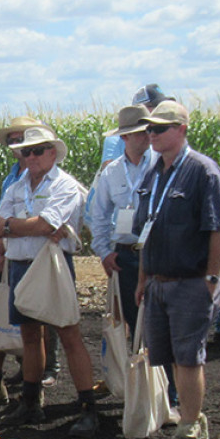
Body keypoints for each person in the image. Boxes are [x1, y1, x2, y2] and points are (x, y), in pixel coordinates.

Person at [131, 101, 220, 439]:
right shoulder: (153, 173)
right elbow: (145, 231)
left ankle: (187, 437)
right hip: (157, 281)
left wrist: (211, 279)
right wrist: (143, 278)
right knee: (169, 357)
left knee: (188, 358)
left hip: (189, 282)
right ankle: (192, 423)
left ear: (182, 129)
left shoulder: (202, 172)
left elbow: (217, 231)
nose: (153, 134)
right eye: (150, 129)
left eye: (161, 128)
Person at [0, 125, 100, 438]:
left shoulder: (65, 185)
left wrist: (12, 226)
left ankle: (87, 406)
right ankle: (30, 400)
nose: (32, 156)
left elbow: (44, 223)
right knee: (29, 335)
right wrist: (22, 227)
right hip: (21, 263)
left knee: (68, 332)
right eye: (27, 151)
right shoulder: (16, 186)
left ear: (54, 153)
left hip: (51, 265)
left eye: (39, 150)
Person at [0, 115, 57, 404]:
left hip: (39, 257)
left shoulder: (52, 180)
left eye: (24, 142)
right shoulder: (12, 178)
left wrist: (9, 228)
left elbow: (45, 224)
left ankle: (45, 371)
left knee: (43, 320)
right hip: (10, 252)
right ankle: (4, 378)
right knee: (8, 314)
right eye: (15, 143)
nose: (21, 148)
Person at [88, 105, 156, 331]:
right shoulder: (111, 172)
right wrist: (104, 252)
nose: (148, 136)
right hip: (125, 255)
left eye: (149, 131)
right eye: (140, 132)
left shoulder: (161, 164)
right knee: (133, 320)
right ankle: (139, 366)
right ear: (125, 136)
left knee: (157, 323)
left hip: (156, 253)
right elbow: (99, 215)